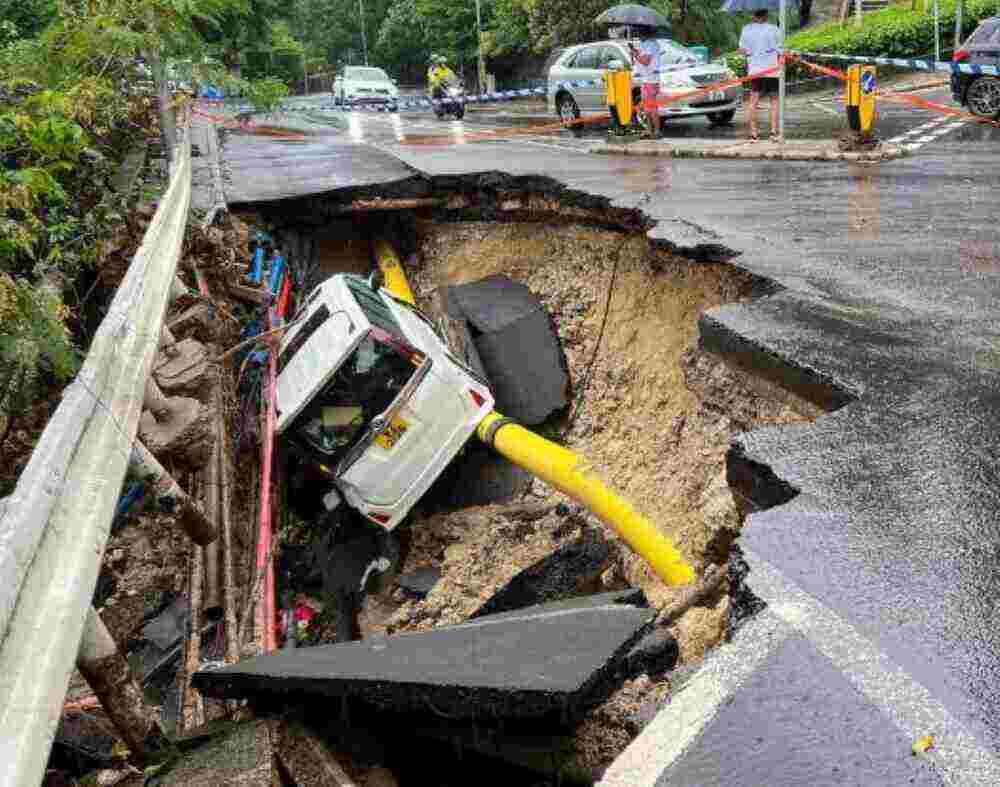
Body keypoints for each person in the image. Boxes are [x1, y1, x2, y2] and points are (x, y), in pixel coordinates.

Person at [738, 9, 783, 142]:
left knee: (753, 102)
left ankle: (754, 135)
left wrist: (752, 52)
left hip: (755, 70)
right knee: (774, 101)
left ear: (754, 15)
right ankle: (773, 133)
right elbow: (781, 50)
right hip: (772, 70)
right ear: (766, 16)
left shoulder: (746, 29)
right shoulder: (775, 29)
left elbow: (742, 50)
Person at [627, 28, 661, 139]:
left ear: (644, 33)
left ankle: (656, 131)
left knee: (651, 108)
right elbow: (642, 59)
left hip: (651, 80)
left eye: (639, 33)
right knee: (647, 108)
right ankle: (649, 130)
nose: (637, 35)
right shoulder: (647, 44)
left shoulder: (650, 44)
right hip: (646, 79)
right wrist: (635, 52)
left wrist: (636, 55)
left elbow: (646, 61)